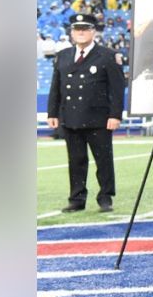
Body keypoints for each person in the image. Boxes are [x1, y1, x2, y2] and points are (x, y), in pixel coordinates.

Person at [47, 13, 125, 213]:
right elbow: (56, 86)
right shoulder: (63, 56)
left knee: (103, 160)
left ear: (93, 31)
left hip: (98, 118)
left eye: (85, 29)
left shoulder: (107, 55)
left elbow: (116, 89)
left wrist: (115, 115)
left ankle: (106, 197)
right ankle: (77, 198)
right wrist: (52, 113)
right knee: (76, 161)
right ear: (72, 32)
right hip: (71, 117)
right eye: (77, 29)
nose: (80, 33)